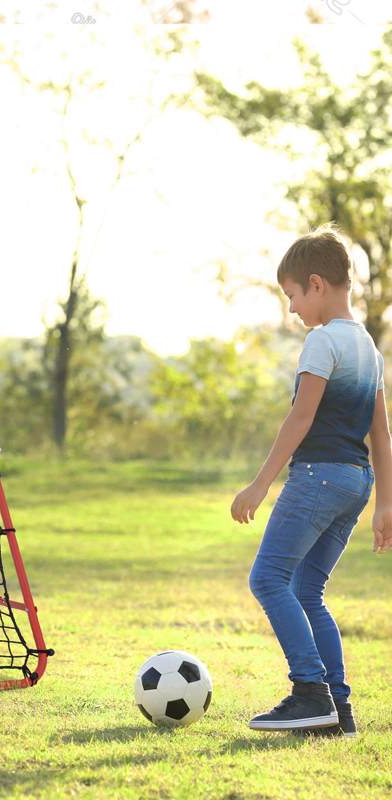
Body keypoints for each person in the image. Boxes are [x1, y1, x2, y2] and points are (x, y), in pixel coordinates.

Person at [230, 222, 392, 737]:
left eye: (293, 296)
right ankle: (338, 711)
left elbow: (300, 419)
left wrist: (259, 485)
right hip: (355, 482)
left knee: (268, 579)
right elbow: (382, 434)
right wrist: (385, 503)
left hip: (319, 478)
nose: (293, 309)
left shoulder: (324, 342)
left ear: (317, 285)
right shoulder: (368, 347)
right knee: (307, 590)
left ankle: (309, 693)